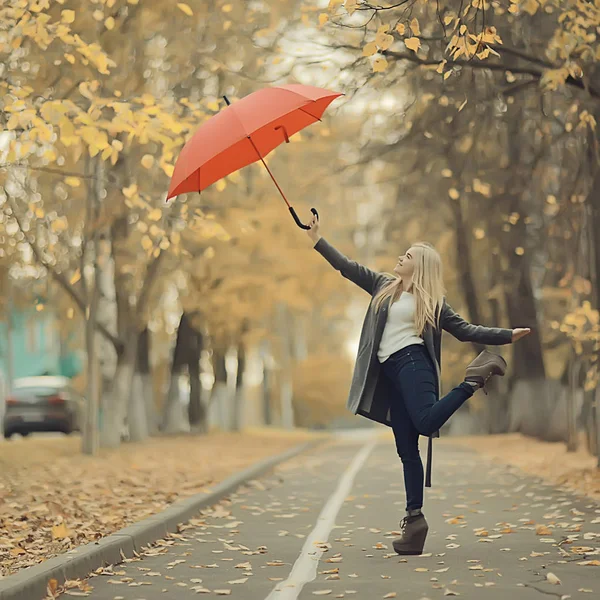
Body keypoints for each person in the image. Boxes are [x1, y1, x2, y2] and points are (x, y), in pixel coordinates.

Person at [306, 213, 531, 555]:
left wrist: (505, 336)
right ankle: (414, 522)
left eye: (408, 256)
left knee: (426, 422)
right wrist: (317, 238)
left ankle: (474, 378)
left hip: (414, 366)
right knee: (406, 450)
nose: (401, 258)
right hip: (391, 375)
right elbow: (347, 267)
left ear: (420, 267)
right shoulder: (383, 286)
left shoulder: (431, 303)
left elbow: (466, 330)